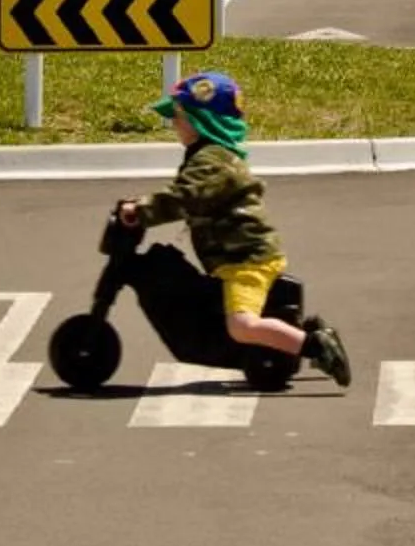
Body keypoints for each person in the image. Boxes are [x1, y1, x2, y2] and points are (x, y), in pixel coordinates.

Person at [113, 70, 351, 387]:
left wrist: (141, 211)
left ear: (203, 121)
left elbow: (186, 196)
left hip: (245, 261)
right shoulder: (209, 156)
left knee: (241, 325)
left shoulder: (213, 161)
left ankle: (315, 347)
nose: (174, 125)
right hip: (235, 256)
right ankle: (305, 332)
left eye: (179, 117)